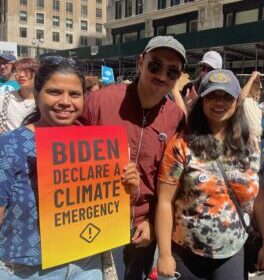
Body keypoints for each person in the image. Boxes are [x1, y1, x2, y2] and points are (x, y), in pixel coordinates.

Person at [79, 35, 186, 280]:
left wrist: (151, 222)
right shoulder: (100, 101)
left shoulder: (175, 117)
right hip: (97, 222)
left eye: (172, 72)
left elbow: (173, 182)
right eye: (155, 65)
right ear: (141, 62)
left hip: (143, 230)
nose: (161, 76)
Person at [156, 69, 264, 280]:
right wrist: (164, 254)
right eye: (212, 96)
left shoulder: (251, 146)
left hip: (233, 252)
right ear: (201, 100)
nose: (219, 103)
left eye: (226, 97)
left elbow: (261, 199)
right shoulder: (181, 145)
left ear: (237, 101)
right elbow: (165, 201)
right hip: (186, 252)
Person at [0, 57, 102, 279]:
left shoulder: (95, 144)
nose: (65, 101)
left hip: (86, 262)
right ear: (37, 95)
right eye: (54, 92)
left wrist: (126, 185)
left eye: (74, 94)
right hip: (29, 270)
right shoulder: (10, 145)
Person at [0, 58, 38, 132]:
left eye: (27, 71)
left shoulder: (43, 100)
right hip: (10, 141)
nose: (21, 75)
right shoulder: (5, 97)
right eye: (17, 71)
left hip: (36, 141)